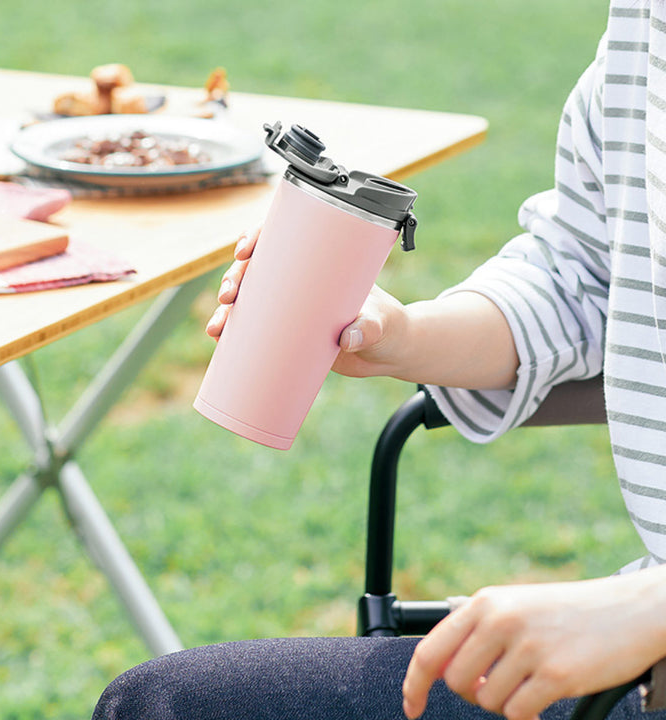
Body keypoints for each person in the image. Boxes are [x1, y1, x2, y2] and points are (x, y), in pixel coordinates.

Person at [91, 1, 666, 718]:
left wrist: (649, 609)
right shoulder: (642, 27)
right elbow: (582, 275)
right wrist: (401, 335)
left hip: (643, 641)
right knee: (162, 704)